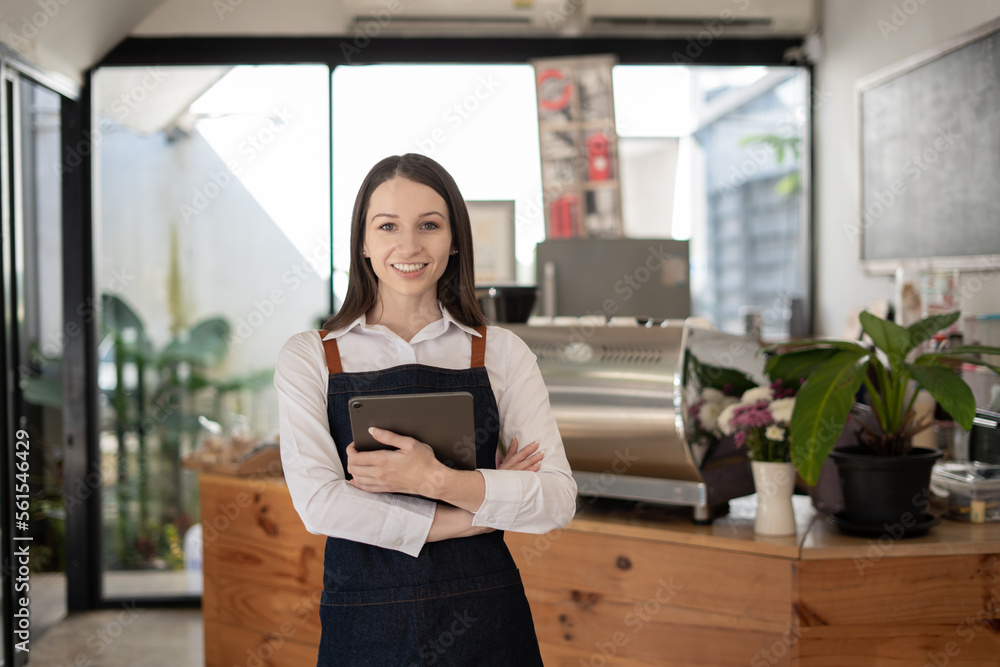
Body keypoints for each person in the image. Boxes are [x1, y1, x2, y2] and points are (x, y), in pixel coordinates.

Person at [274, 153, 577, 666]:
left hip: (486, 617)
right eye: (388, 225)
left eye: (429, 225)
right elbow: (321, 505)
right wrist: (474, 513)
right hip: (365, 619)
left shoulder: (500, 351)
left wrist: (435, 480)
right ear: (363, 243)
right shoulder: (311, 356)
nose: (409, 246)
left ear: (455, 239)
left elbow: (555, 499)